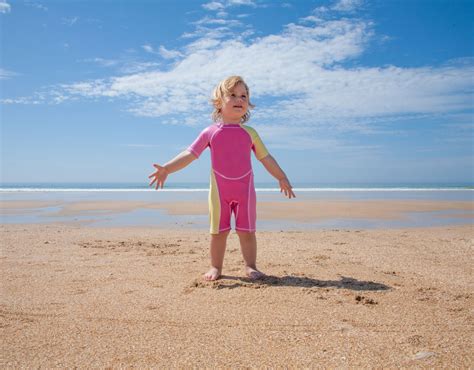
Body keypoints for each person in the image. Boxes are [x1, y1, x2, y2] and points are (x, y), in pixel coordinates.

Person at [148, 76, 295, 281]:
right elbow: (190, 154)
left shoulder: (250, 133)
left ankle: (250, 266)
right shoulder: (210, 132)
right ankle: (215, 267)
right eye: (233, 95)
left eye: (243, 95)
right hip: (219, 192)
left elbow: (265, 157)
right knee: (218, 232)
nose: (239, 99)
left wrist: (281, 176)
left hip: (245, 191)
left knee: (247, 232)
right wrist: (167, 169)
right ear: (218, 102)